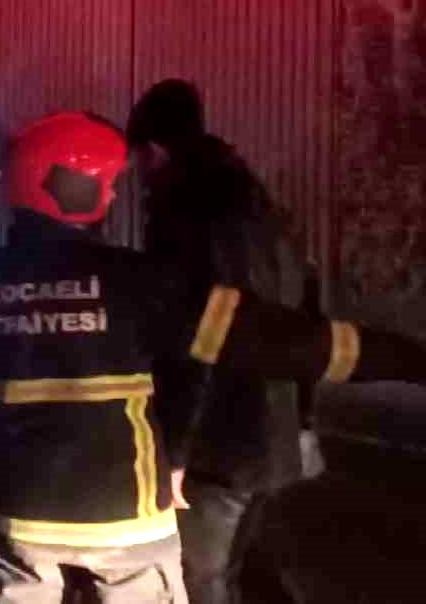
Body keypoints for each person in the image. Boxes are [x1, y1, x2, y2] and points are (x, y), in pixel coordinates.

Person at [0, 110, 426, 604]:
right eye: (107, 182)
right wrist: (407, 360)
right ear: (72, 187)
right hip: (128, 528)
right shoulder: (138, 281)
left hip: (22, 526)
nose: (116, 192)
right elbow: (277, 340)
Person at [127, 79, 318, 604]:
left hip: (221, 436)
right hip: (271, 426)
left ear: (155, 150)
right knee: (246, 571)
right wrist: (302, 417)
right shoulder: (257, 201)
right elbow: (306, 306)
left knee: (199, 576)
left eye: (138, 158)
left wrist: (178, 450)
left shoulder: (184, 211)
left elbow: (200, 337)